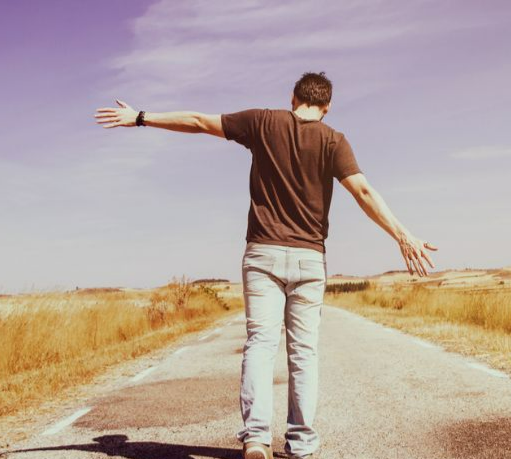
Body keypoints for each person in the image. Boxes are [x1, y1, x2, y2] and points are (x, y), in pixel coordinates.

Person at [94, 71, 437, 459]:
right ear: (327, 107)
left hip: (262, 254)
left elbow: (198, 121)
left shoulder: (262, 122)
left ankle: (256, 438)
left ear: (293, 98)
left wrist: (141, 117)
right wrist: (403, 235)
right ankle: (301, 443)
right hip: (309, 258)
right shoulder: (334, 140)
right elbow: (362, 190)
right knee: (303, 353)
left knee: (260, 343)